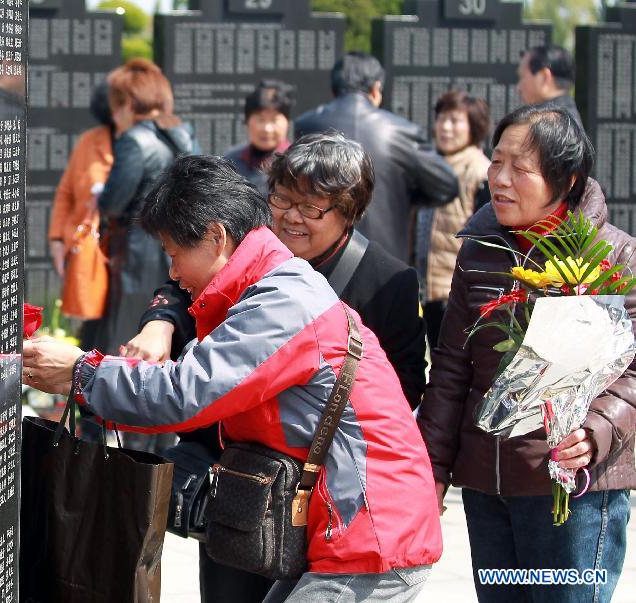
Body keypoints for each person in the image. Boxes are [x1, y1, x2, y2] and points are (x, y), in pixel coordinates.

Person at [24, 154, 441, 603]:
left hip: (370, 533)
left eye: (174, 253)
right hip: (349, 527)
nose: (173, 272)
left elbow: (183, 394)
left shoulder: (284, 302)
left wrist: (81, 372)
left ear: (215, 236)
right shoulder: (271, 286)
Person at [417, 105, 636, 603]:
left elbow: (634, 371)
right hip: (487, 490)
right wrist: (431, 468)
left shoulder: (617, 256)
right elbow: (451, 365)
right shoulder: (478, 252)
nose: (501, 179)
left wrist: (595, 431)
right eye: (497, 162)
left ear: (568, 179)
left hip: (574, 489)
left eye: (521, 168)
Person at [90, 58, 197, 453]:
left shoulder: (136, 140)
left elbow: (115, 203)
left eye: (117, 105)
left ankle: (124, 444)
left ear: (128, 104)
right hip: (178, 255)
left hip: (135, 254)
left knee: (128, 344)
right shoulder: (185, 135)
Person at [293, 52, 458, 262]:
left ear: (333, 90)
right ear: (376, 89)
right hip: (384, 262)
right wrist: (403, 196)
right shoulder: (401, 131)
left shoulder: (306, 126)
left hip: (318, 260)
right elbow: (446, 185)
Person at [416, 91, 491, 347]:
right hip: (430, 291)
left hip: (458, 294)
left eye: (455, 120)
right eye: (441, 119)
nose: (445, 127)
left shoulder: (480, 171)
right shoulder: (434, 165)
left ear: (474, 126)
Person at [47, 80, 114, 314]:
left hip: (124, 252)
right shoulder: (89, 141)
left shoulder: (144, 142)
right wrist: (57, 238)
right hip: (87, 242)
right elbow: (66, 192)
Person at [223, 79, 294, 196]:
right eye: (260, 119)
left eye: (274, 120)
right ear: (247, 120)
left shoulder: (297, 163)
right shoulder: (231, 160)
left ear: (287, 122)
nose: (267, 128)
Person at [517, 44, 582, 125]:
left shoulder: (546, 123)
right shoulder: (569, 118)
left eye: (523, 77)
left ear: (544, 77)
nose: (518, 88)